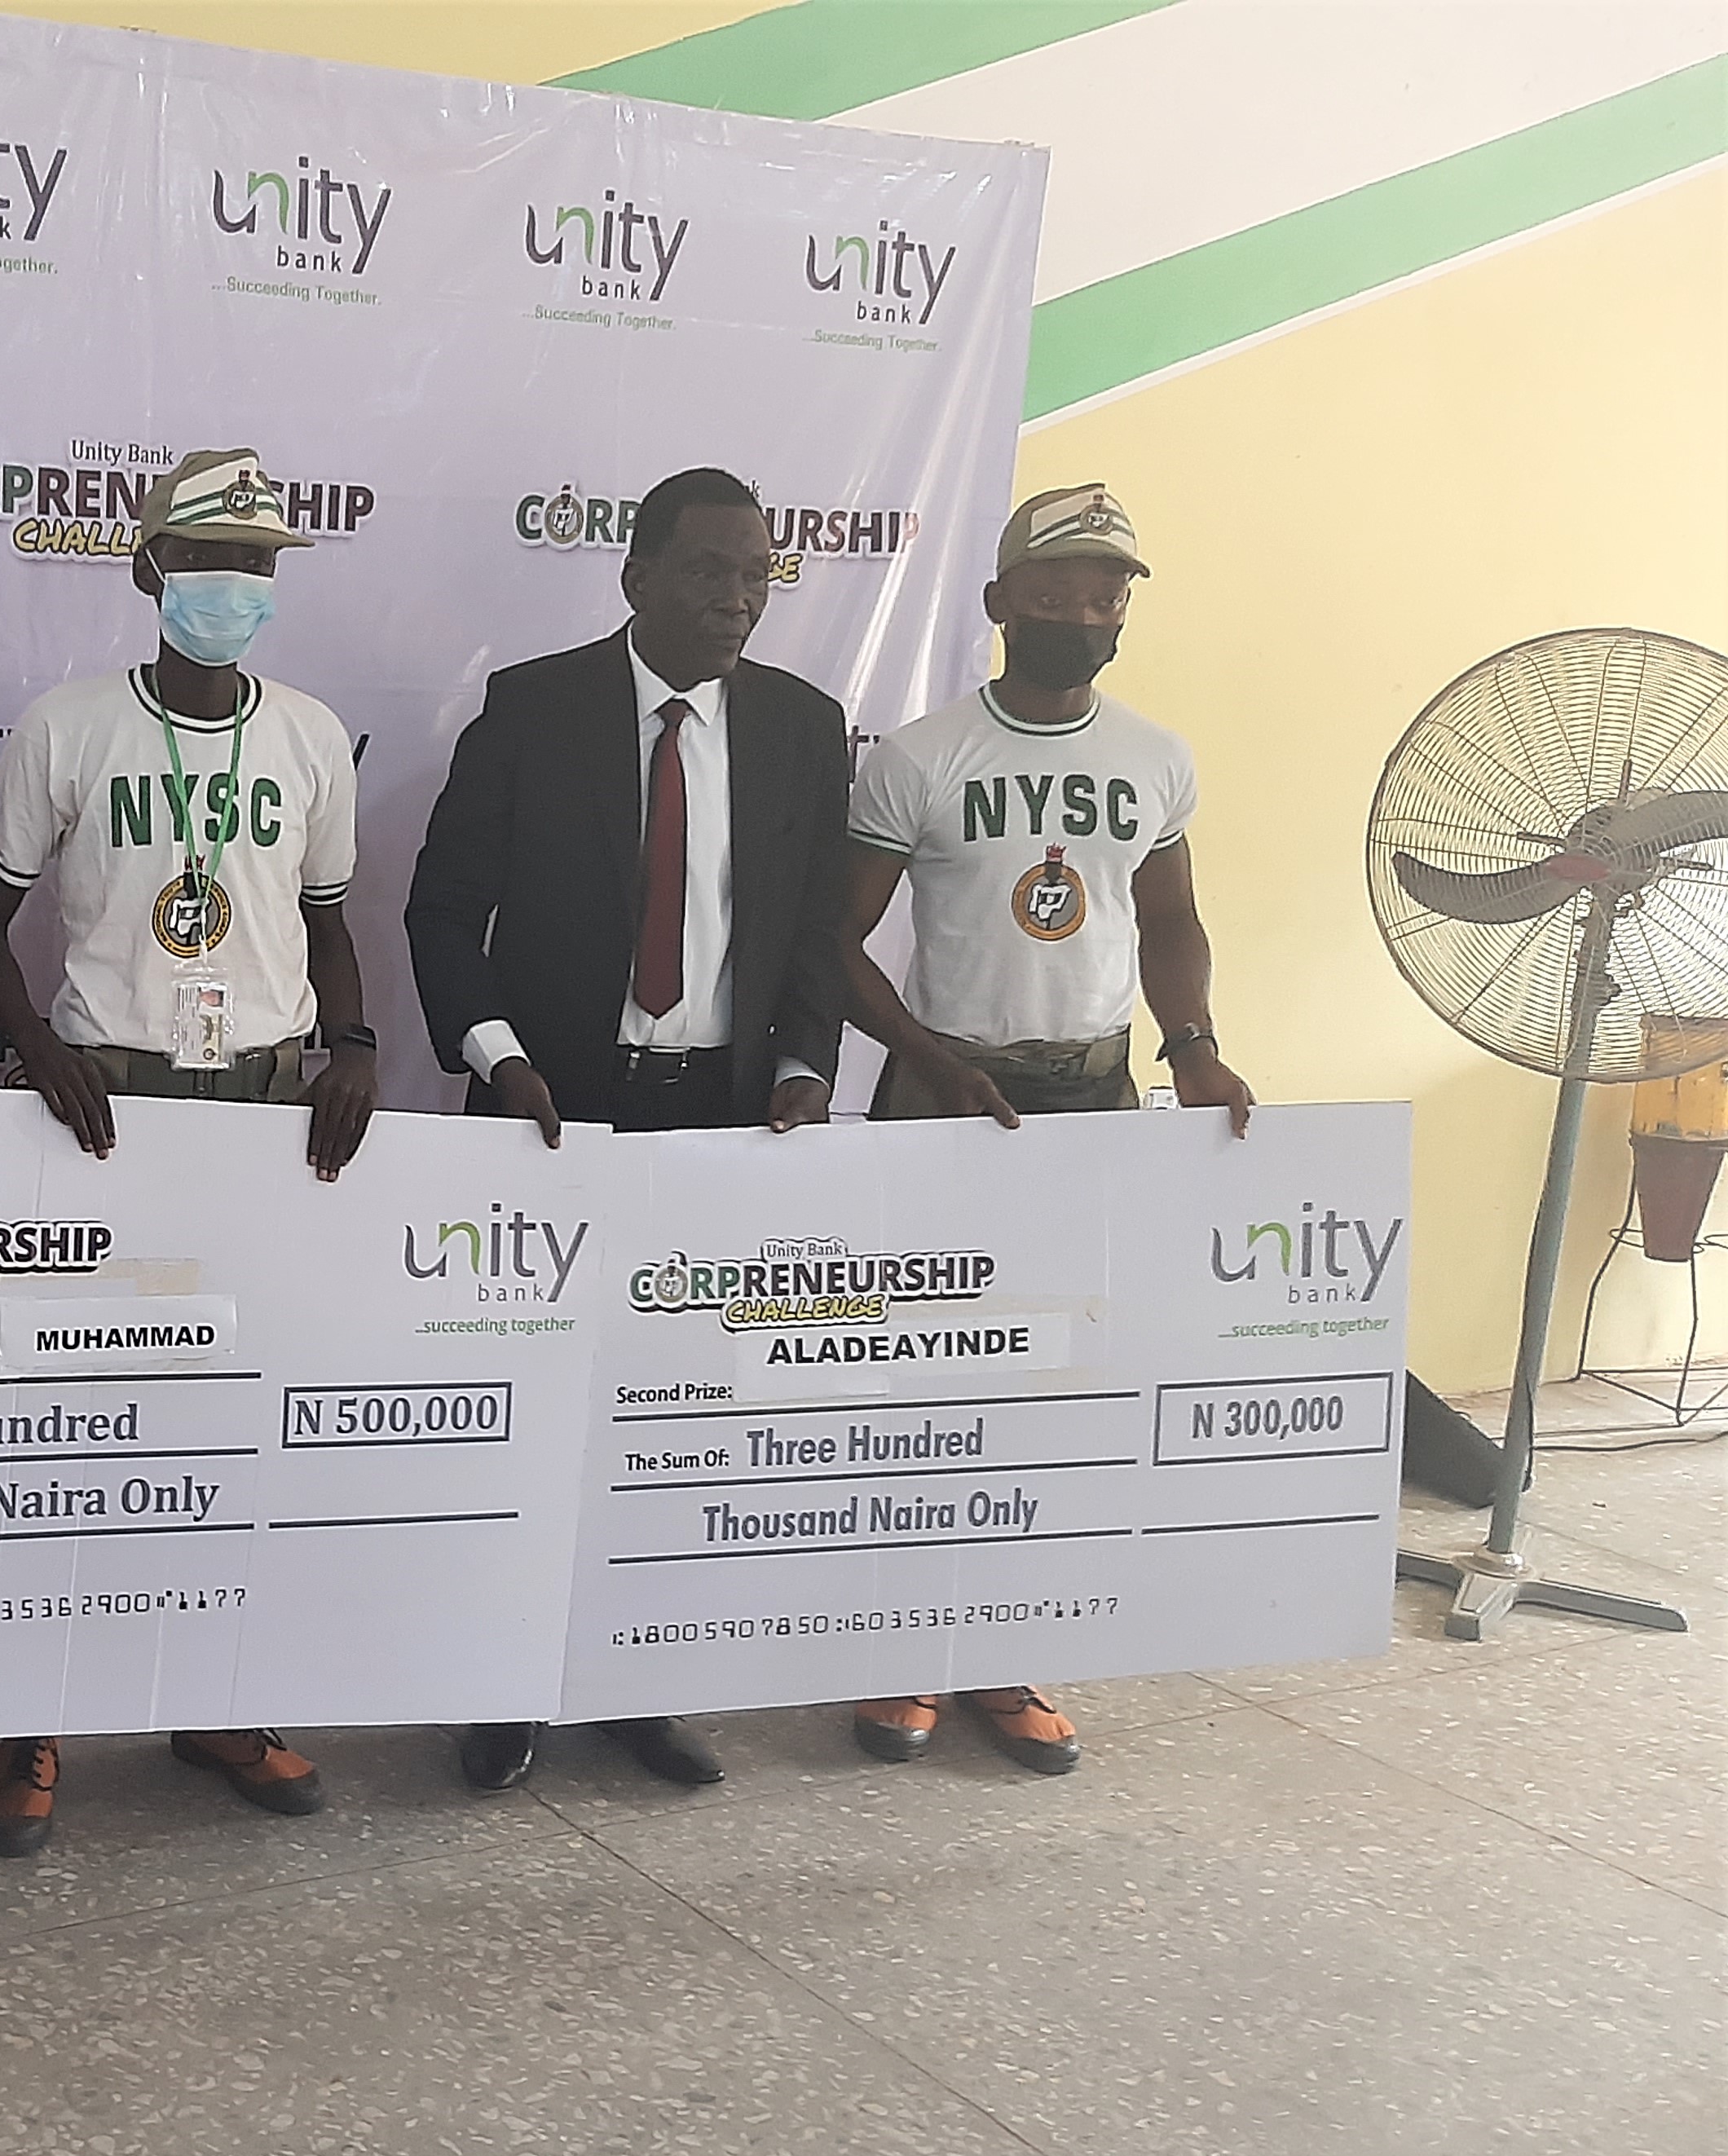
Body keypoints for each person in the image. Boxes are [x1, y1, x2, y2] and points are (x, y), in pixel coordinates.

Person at [0, 446, 377, 1859]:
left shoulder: (312, 736)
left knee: (236, 1423)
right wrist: (38, 1047)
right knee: (88, 1427)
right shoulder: (69, 727)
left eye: (256, 566)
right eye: (207, 564)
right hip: (110, 1112)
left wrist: (357, 1044)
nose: (233, 590)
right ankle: (35, 1725)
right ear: (145, 573)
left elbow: (325, 921)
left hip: (259, 1107)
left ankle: (217, 1702)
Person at [405, 465, 850, 1798]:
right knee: (538, 1420)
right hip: (551, 1121)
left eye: (757, 574)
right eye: (709, 570)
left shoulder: (802, 726)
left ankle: (633, 1682)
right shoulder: (533, 713)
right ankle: (503, 1687)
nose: (736, 598)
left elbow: (819, 930)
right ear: (636, 576)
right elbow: (442, 909)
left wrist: (809, 1064)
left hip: (716, 1121)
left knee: (668, 1420)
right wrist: (498, 1060)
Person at [835, 483, 1252, 1776]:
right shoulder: (919, 756)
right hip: (947, 1092)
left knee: (1049, 1386)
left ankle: (1002, 1656)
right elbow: (832, 945)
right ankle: (900, 1647)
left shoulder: (1156, 756)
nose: (1090, 608)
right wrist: (923, 1055)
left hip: (1096, 1095)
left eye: (1111, 589)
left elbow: (1171, 921)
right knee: (927, 1379)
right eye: (1064, 586)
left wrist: (1195, 1047)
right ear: (1001, 602)